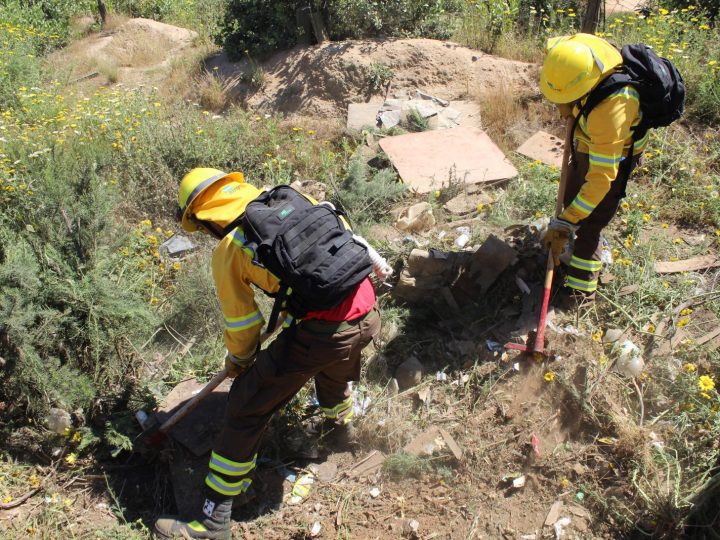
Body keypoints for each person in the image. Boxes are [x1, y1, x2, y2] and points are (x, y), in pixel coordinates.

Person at [153, 168, 381, 539]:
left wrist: (240, 362)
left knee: (245, 406)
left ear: (203, 219)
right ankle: (341, 429)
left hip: (325, 332)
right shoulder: (290, 198)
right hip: (368, 312)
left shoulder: (231, 247)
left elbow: (243, 327)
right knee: (332, 369)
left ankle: (211, 523)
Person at [540, 33, 647, 308]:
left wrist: (568, 221)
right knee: (571, 200)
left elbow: (601, 179)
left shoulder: (613, 107)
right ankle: (569, 248)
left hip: (615, 159)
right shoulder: (575, 53)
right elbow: (553, 47)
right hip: (588, 144)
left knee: (590, 222)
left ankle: (580, 293)